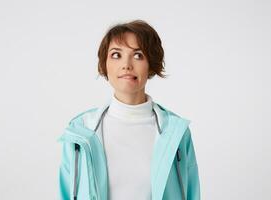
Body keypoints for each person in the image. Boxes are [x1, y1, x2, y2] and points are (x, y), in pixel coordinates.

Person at [58, 19, 201, 200]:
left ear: (151, 65)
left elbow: (192, 193)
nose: (126, 64)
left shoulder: (176, 132)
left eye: (138, 55)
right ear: (105, 64)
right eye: (116, 55)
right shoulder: (80, 130)